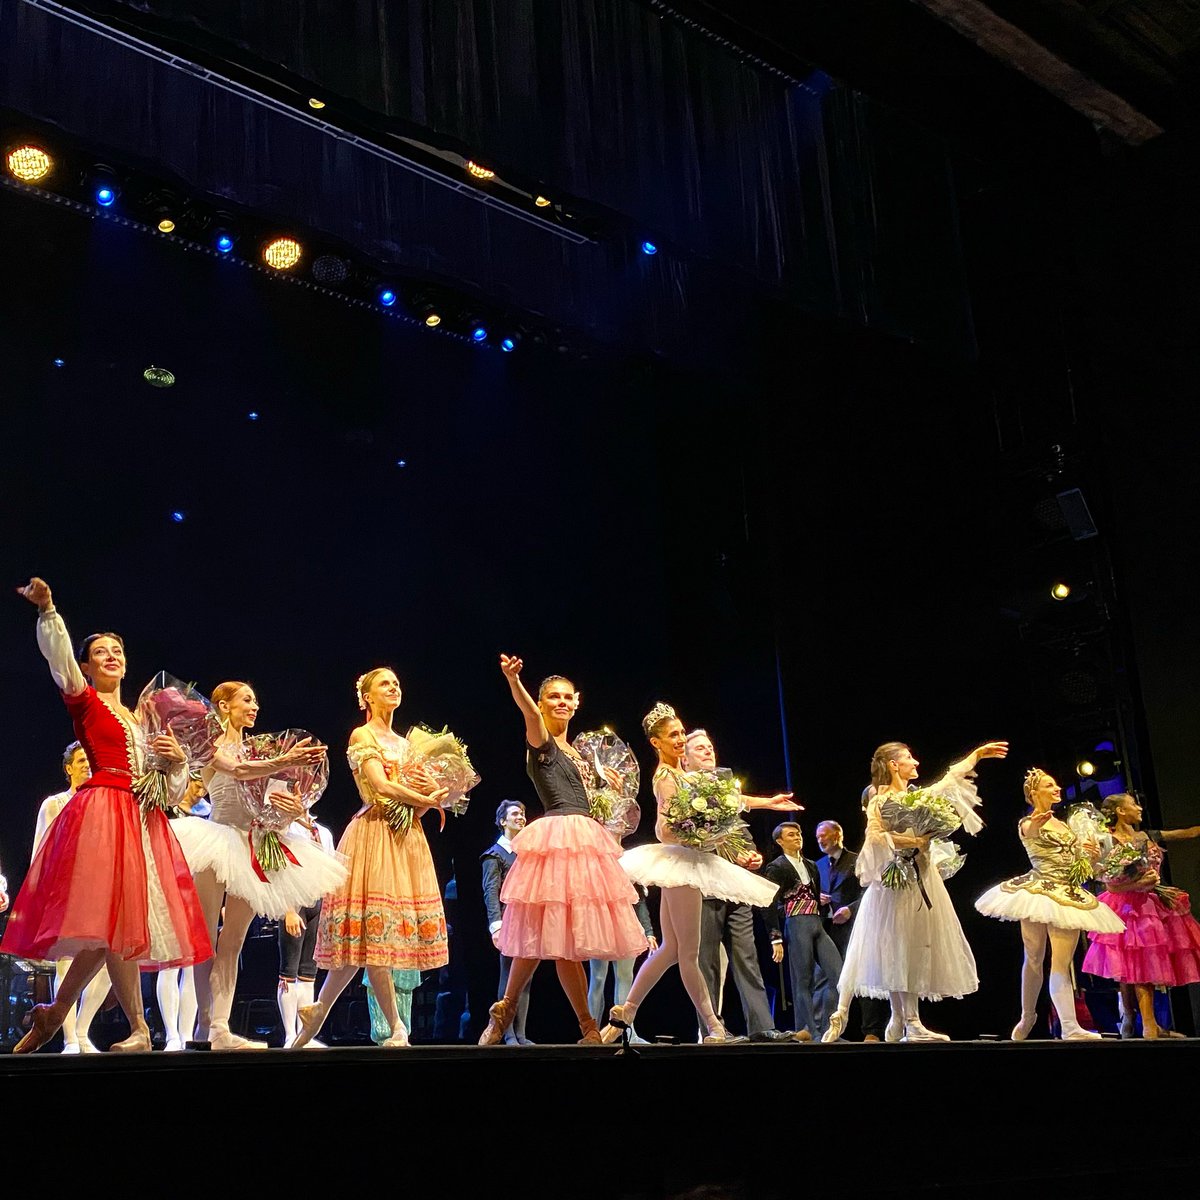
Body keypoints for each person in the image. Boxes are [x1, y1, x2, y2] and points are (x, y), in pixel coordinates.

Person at [4, 578, 211, 1053]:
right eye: (101, 652)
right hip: (104, 812)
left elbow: (167, 791)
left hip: (141, 819)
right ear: (87, 666)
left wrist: (175, 760)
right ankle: (123, 1026)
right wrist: (49, 611)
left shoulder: (143, 720)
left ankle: (66, 1015)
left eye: (117, 649)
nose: (112, 656)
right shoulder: (86, 700)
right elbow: (58, 660)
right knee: (112, 923)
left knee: (119, 927)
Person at [602, 703, 797, 1044]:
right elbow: (664, 830)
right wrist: (705, 836)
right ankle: (713, 1028)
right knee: (687, 954)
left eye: (681, 732)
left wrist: (768, 802)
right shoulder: (665, 777)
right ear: (656, 742)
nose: (680, 739)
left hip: (686, 861)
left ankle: (627, 1011)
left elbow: (725, 799)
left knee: (669, 950)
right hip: (681, 864)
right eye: (672, 735)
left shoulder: (681, 775)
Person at [477, 659, 649, 1045]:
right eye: (553, 697)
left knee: (561, 941)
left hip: (585, 836)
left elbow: (590, 798)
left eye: (567, 697)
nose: (561, 702)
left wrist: (606, 787)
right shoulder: (542, 740)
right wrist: (514, 680)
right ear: (542, 702)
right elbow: (527, 710)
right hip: (559, 834)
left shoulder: (578, 753)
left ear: (577, 702)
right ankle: (576, 1024)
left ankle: (516, 1013)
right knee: (545, 934)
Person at [170, 680, 344, 1050]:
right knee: (207, 938)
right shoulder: (209, 742)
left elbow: (268, 798)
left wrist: (292, 809)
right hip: (215, 841)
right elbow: (238, 770)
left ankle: (218, 1026)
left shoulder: (258, 749)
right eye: (246, 700)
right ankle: (208, 1024)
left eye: (255, 701)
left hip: (253, 843)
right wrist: (285, 760)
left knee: (232, 941)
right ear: (223, 705)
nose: (254, 707)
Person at [293, 667, 450, 1049]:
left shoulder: (407, 744)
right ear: (367, 697)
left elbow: (415, 807)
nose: (394, 687)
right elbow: (379, 786)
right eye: (384, 684)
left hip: (405, 839)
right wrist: (425, 798)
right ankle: (397, 1027)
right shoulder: (362, 735)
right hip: (373, 836)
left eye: (397, 682)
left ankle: (317, 1012)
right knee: (375, 934)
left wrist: (436, 798)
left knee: (366, 943)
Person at [822, 739, 1008, 1044]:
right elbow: (874, 837)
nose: (916, 763)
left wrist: (975, 756)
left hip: (920, 877)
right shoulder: (881, 799)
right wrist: (912, 843)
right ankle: (910, 1021)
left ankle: (900, 1021)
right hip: (897, 883)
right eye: (909, 758)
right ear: (894, 765)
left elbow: (946, 784)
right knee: (901, 945)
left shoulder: (913, 798)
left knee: (913, 945)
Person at [975, 769, 1123, 1040]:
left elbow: (1081, 869)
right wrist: (1036, 822)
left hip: (1066, 894)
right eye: (1049, 785)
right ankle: (1028, 1015)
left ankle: (1069, 1025)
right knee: (1033, 957)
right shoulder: (1027, 823)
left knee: (1061, 962)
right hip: (1037, 890)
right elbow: (1030, 831)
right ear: (1034, 794)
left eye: (1056, 784)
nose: (1057, 789)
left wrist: (1089, 856)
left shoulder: (1065, 826)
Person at [684, 729, 797, 1043]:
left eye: (710, 747)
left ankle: (762, 1025)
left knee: (746, 955)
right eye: (700, 749)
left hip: (734, 883)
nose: (708, 752)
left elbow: (736, 813)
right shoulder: (683, 789)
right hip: (704, 882)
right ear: (686, 757)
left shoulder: (723, 788)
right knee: (706, 958)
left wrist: (750, 857)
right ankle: (711, 1028)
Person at [1081, 791, 1200, 1038]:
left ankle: (1139, 1020)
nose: (1139, 808)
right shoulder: (1108, 841)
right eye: (1134, 804)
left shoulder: (1147, 836)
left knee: (1135, 963)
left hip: (1150, 904)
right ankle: (1143, 1022)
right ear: (1121, 811)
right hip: (1127, 906)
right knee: (1136, 963)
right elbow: (1109, 883)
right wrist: (1137, 884)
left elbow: (1185, 833)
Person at [33, 741, 112, 1053]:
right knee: (66, 962)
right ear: (68, 768)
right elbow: (40, 851)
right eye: (80, 761)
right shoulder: (54, 804)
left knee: (105, 963)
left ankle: (81, 1032)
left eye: (90, 760)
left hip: (98, 888)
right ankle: (67, 1038)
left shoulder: (103, 804)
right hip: (64, 889)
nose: (86, 766)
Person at [761, 823, 843, 1040]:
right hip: (797, 924)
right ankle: (808, 1030)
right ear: (780, 841)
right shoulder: (776, 867)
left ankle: (828, 1029)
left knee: (838, 975)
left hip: (816, 922)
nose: (797, 837)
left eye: (798, 833)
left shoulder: (811, 865)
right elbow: (768, 903)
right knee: (803, 980)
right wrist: (776, 938)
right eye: (791, 834)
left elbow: (815, 895)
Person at [813, 820, 887, 1041]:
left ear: (838, 835)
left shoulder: (857, 860)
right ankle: (827, 1029)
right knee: (829, 980)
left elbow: (872, 891)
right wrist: (819, 899)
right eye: (818, 837)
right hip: (827, 930)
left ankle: (871, 1032)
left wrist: (850, 910)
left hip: (856, 927)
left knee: (864, 976)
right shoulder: (817, 866)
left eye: (824, 835)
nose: (821, 840)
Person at [155, 772, 211, 1050]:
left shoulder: (208, 813)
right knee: (169, 963)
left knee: (192, 965)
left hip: (197, 890)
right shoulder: (166, 808)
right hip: (168, 885)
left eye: (204, 785)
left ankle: (186, 1032)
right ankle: (171, 1035)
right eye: (197, 783)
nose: (201, 791)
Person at [276, 809, 337, 1047]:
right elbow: (280, 871)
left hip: (318, 900)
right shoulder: (286, 828)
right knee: (289, 969)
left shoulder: (323, 832)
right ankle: (289, 1033)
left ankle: (304, 1033)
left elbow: (332, 871)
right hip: (294, 900)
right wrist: (288, 909)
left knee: (308, 972)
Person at [481, 799, 535, 1044]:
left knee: (525, 978)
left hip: (527, 921)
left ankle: (521, 1033)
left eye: (522, 813)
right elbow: (491, 892)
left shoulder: (526, 854)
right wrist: (496, 925)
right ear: (503, 821)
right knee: (508, 977)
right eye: (515, 813)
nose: (520, 817)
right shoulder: (494, 855)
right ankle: (506, 1032)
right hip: (508, 921)